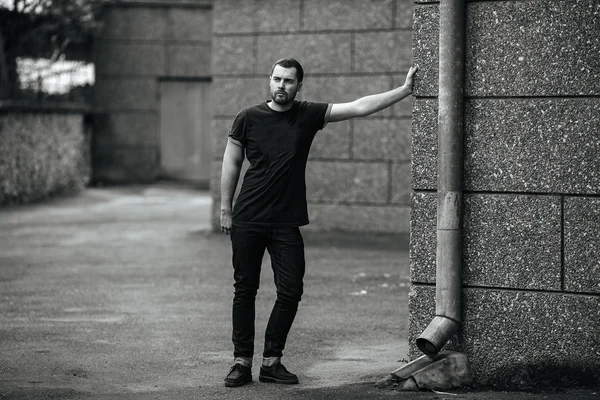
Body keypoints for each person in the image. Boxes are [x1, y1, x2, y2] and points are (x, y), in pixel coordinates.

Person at [220, 58, 417, 387]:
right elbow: (231, 162)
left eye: (289, 81)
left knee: (291, 290)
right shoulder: (248, 118)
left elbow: (358, 107)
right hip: (248, 217)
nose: (281, 86)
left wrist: (405, 90)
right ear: (270, 81)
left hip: (286, 222)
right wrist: (225, 208)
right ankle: (241, 362)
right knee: (245, 290)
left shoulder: (308, 114)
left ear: (299, 86)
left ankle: (271, 361)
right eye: (277, 79)